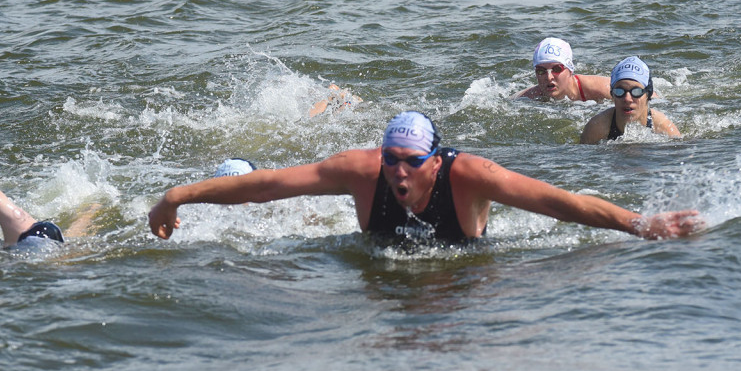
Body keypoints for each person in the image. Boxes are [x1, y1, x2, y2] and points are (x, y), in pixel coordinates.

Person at [149, 111, 702, 244]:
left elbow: (559, 203)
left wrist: (639, 223)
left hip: (467, 274)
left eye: (411, 161)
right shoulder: (361, 172)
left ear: (436, 161)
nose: (398, 170)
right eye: (391, 158)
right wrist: (178, 196)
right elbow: (266, 184)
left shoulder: (472, 177)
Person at [580, 56, 680, 144]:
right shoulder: (596, 128)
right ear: (612, 95)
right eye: (620, 91)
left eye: (636, 91)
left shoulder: (664, 129)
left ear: (648, 95)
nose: (627, 99)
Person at [514, 37, 611, 102]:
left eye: (556, 69)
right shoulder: (528, 97)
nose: (549, 77)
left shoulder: (600, 88)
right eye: (541, 71)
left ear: (570, 70)